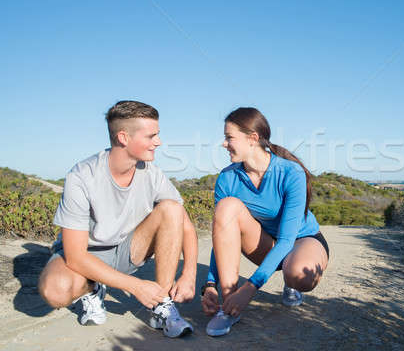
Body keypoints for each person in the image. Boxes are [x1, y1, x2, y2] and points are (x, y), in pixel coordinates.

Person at [38, 100, 196, 338]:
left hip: (126, 250)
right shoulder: (82, 176)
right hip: (86, 255)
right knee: (55, 291)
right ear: (123, 137)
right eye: (152, 136)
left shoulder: (152, 173)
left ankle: (160, 306)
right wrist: (135, 286)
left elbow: (185, 225)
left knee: (172, 208)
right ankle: (92, 288)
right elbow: (75, 256)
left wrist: (189, 274)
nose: (159, 142)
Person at [201, 107, 330, 336]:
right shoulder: (228, 177)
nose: (223, 144)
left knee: (299, 274)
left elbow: (287, 239)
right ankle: (230, 306)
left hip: (301, 240)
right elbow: (221, 236)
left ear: (252, 139)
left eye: (229, 137)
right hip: (265, 242)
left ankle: (290, 283)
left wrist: (250, 288)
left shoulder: (291, 172)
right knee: (227, 206)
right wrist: (210, 285)